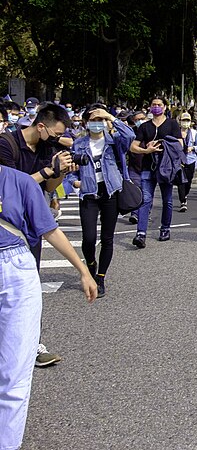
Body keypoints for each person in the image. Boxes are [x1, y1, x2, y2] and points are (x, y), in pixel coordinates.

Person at [0, 163, 97, 450]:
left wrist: (82, 270)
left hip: (17, 269)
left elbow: (49, 229)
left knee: (14, 372)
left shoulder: (19, 182)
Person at [0, 103, 76, 368]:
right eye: (54, 135)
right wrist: (46, 171)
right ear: (40, 125)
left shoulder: (47, 147)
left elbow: (50, 186)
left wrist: (59, 171)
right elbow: (10, 188)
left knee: (29, 287)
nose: (57, 140)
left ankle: (31, 345)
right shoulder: (6, 144)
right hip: (6, 229)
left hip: (30, 227)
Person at [66, 104, 134, 297]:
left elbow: (130, 135)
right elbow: (70, 169)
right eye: (93, 120)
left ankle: (101, 277)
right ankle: (91, 265)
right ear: (86, 123)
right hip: (88, 194)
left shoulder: (114, 141)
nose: (97, 124)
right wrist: (75, 181)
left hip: (110, 193)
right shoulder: (78, 143)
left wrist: (111, 118)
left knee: (107, 238)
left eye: (100, 120)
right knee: (88, 239)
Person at [129, 97, 181, 247]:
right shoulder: (145, 126)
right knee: (145, 200)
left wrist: (162, 143)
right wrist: (146, 149)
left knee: (168, 200)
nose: (156, 107)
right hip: (147, 167)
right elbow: (133, 147)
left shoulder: (172, 124)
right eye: (153, 105)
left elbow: (180, 144)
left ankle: (165, 228)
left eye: (159, 105)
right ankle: (141, 233)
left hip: (166, 168)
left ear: (165, 107)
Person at [176, 112, 197, 212]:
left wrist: (193, 148)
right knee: (181, 181)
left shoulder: (194, 133)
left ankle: (185, 195)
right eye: (184, 120)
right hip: (179, 160)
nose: (185, 123)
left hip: (190, 159)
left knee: (188, 180)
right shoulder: (176, 132)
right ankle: (182, 201)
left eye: (187, 121)